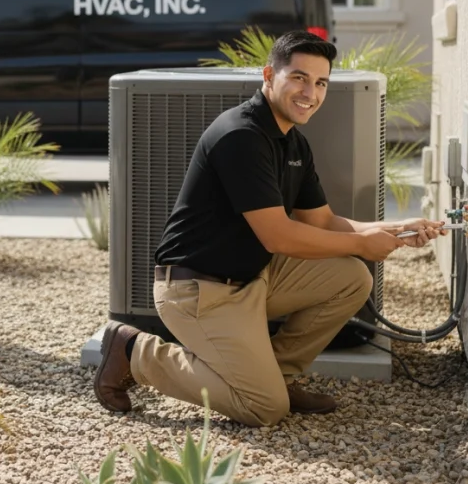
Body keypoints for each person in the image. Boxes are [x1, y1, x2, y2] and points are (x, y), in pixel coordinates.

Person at [93, 31, 446, 426]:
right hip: (199, 291)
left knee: (351, 278)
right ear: (268, 75)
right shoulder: (241, 136)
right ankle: (133, 351)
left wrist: (398, 228)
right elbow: (278, 236)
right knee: (264, 409)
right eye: (298, 78)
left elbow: (322, 222)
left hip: (252, 278)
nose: (309, 92)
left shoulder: (293, 142)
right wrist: (363, 242)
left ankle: (276, 377)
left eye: (320, 82)